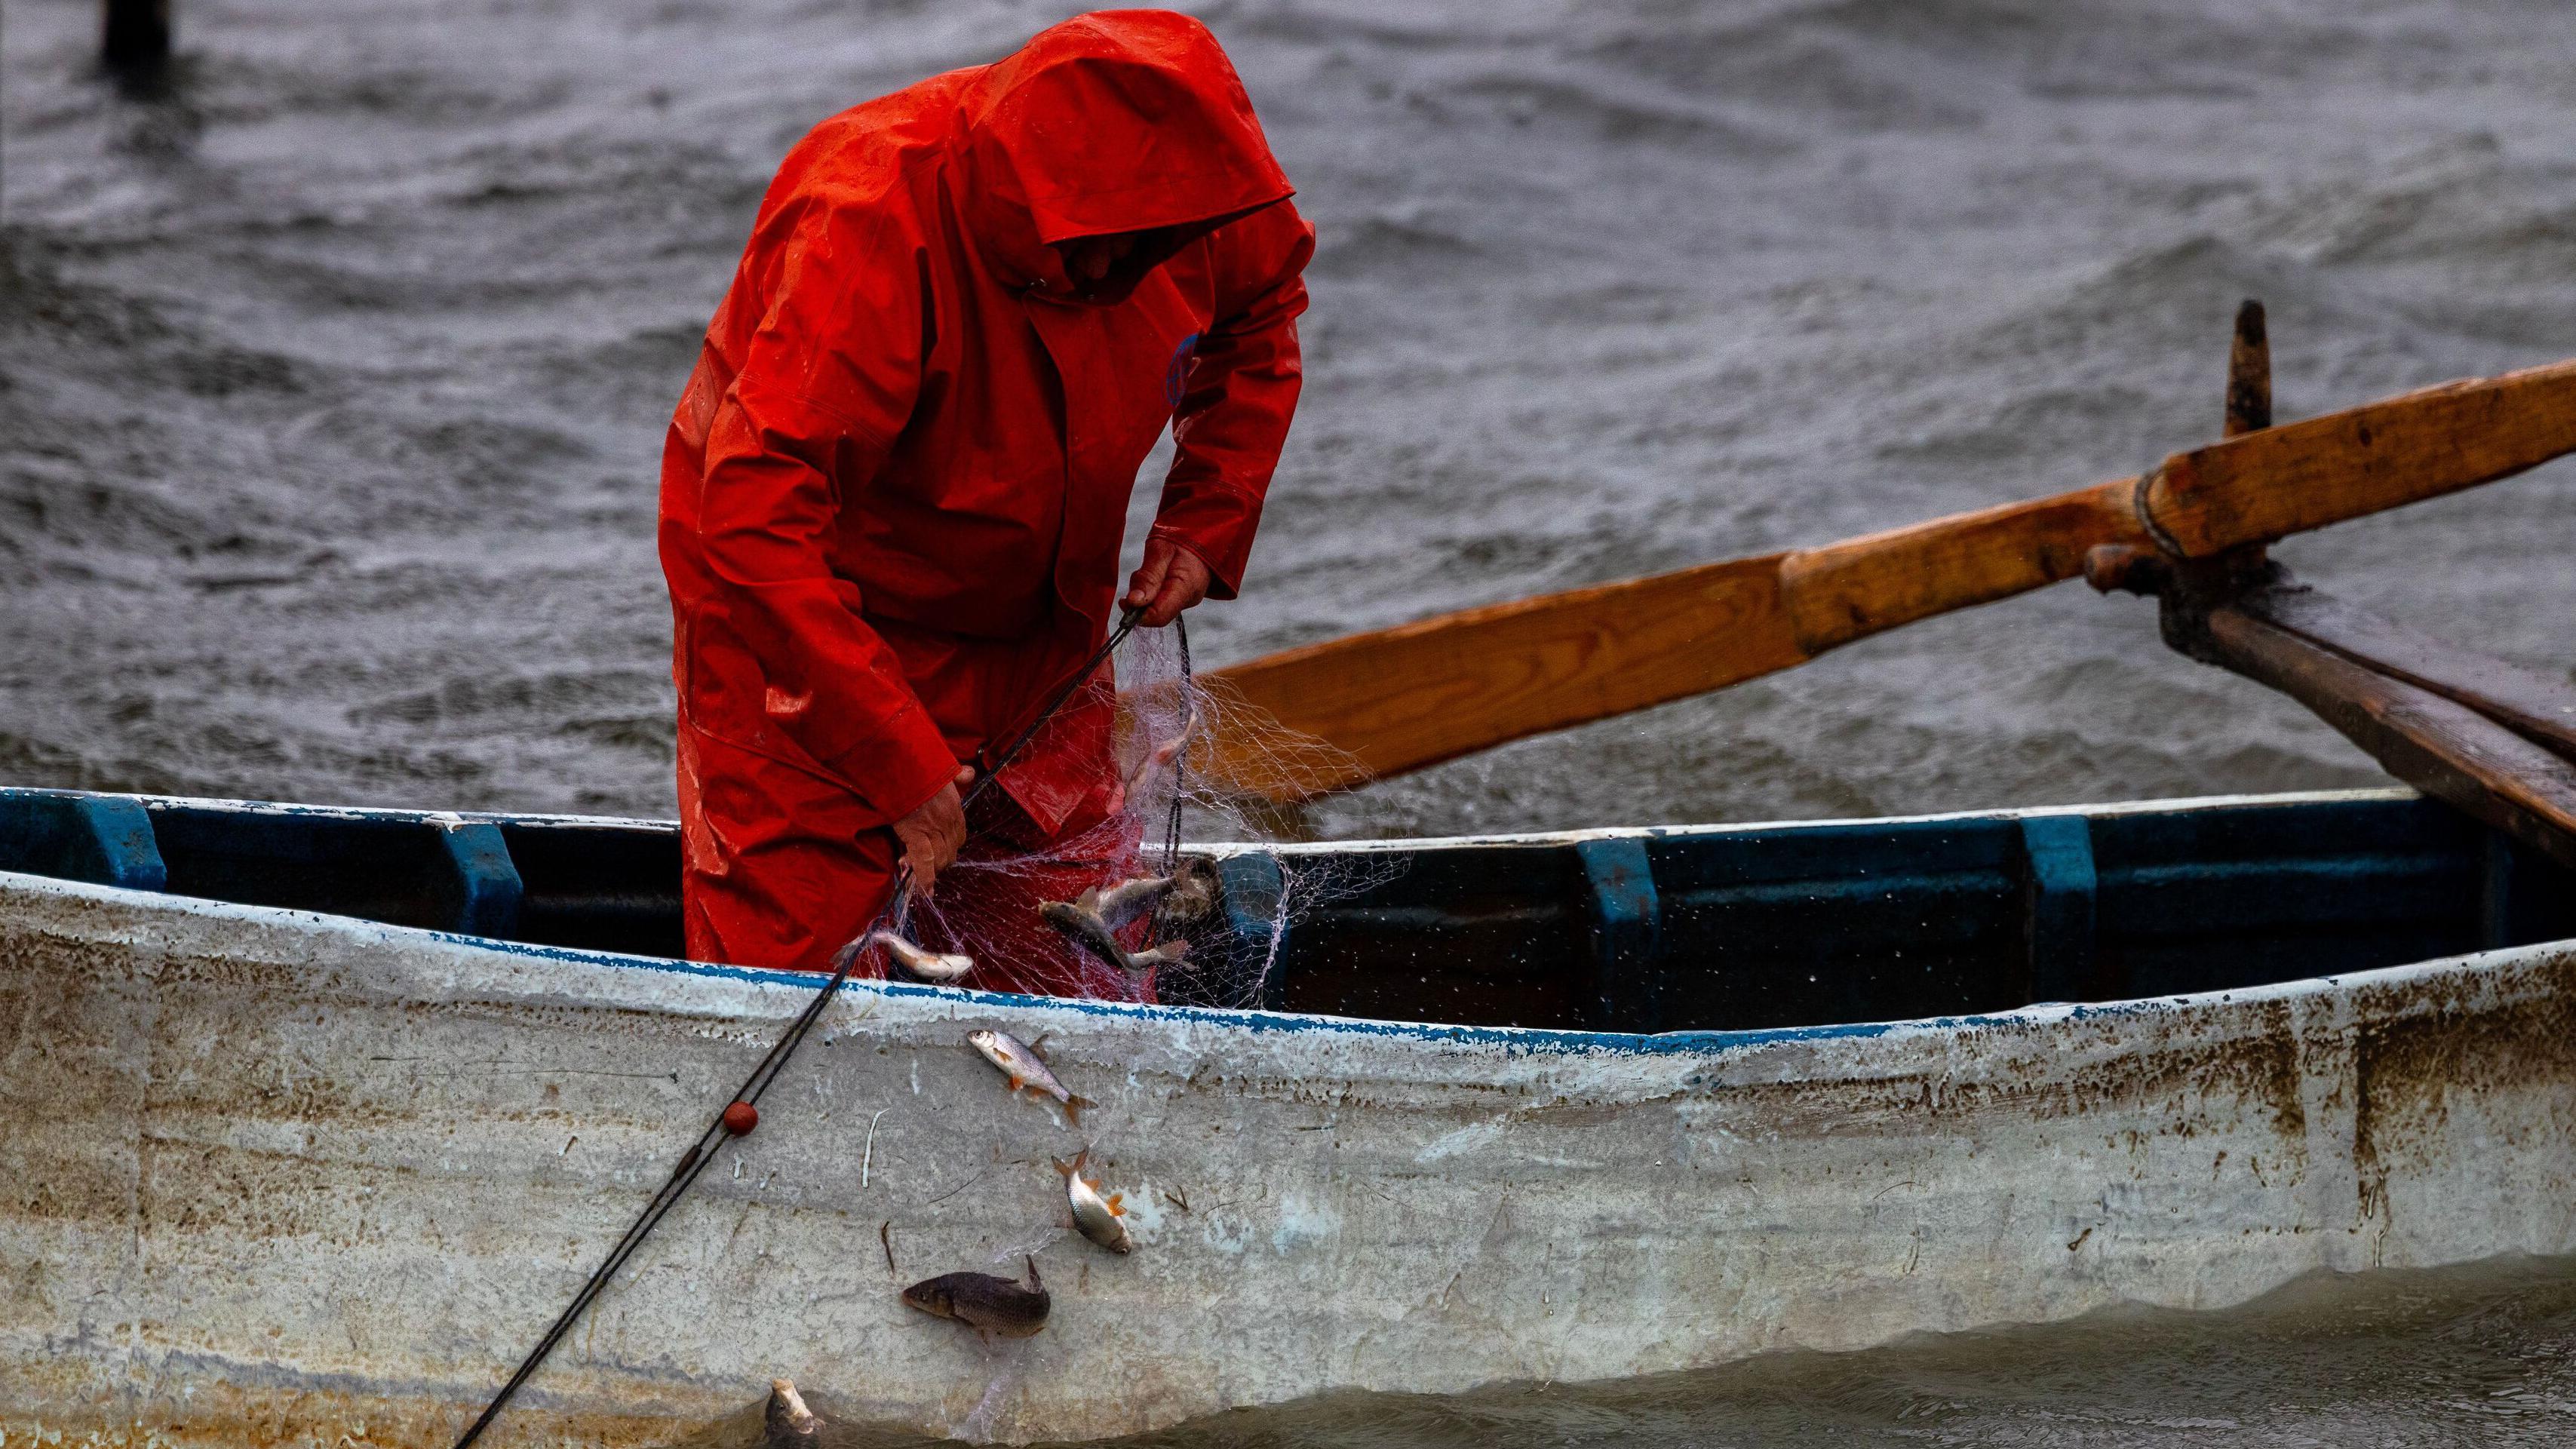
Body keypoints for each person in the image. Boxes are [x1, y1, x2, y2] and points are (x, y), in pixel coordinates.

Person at [658, 9, 1313, 991]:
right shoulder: (870, 217)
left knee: (1076, 967)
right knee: (796, 977)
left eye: (1140, 253)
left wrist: (1204, 520)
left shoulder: (1195, 187)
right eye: (1084, 249)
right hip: (808, 625)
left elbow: (1261, 315)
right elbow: (754, 519)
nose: (1108, 276)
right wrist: (899, 763)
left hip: (1039, 629)